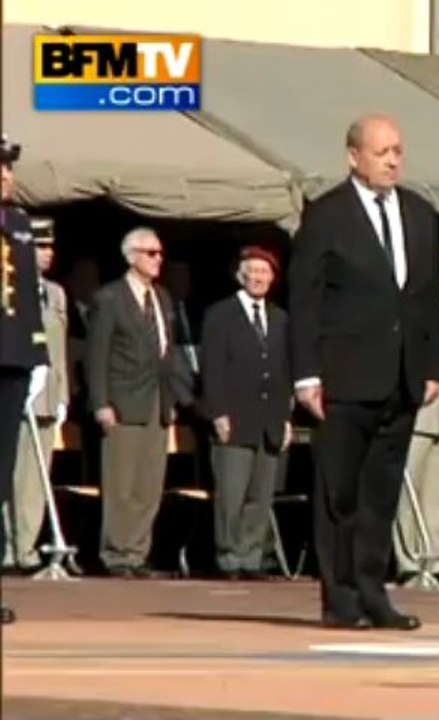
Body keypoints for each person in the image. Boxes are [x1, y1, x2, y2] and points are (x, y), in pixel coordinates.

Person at [288, 113, 439, 630]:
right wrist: (306, 374)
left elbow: (425, 299)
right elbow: (306, 299)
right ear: (354, 156)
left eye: (398, 150)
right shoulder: (327, 215)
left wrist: (433, 366)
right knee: (340, 493)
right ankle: (341, 599)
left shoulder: (419, 214)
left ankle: (374, 591)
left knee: (380, 494)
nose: (393, 160)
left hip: (400, 377)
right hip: (343, 377)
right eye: (382, 152)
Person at [88, 227, 187, 578]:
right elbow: (96, 355)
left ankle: (137, 552)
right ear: (131, 256)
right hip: (123, 402)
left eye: (160, 253)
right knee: (122, 485)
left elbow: (168, 353)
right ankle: (117, 554)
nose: (158, 259)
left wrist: (172, 398)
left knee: (149, 485)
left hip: (157, 403)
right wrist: (101, 402)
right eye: (151, 253)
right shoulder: (110, 299)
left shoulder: (162, 297)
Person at [200, 246, 292, 581]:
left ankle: (251, 557)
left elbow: (284, 372)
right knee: (232, 495)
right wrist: (218, 413)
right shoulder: (220, 315)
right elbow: (212, 368)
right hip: (234, 419)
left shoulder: (281, 319)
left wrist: (285, 419)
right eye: (253, 271)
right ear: (241, 275)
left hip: (269, 421)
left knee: (260, 496)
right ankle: (229, 557)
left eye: (265, 272)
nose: (258, 278)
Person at [1, 132, 51, 624]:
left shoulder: (17, 222)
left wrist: (38, 354)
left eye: (8, 168)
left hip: (12, 358)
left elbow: (29, 295)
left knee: (1, 473)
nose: (6, 176)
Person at [393, 250, 439, 586]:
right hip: (417, 415)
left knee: (437, 495)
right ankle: (409, 559)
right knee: (408, 497)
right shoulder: (404, 315)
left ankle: (434, 559)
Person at [7, 217, 69, 574]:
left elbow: (58, 347)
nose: (46, 254)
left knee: (36, 479)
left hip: (46, 396)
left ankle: (26, 548)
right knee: (12, 473)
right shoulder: (11, 288)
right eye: (39, 247)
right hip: (16, 391)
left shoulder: (55, 292)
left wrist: (62, 395)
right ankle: (8, 547)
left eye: (49, 247)